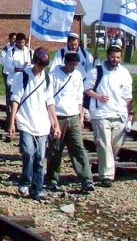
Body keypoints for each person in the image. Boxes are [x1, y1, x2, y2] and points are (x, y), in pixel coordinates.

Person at [8, 47, 59, 201]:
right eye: (39, 64)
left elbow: (50, 102)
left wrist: (55, 123)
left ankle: (37, 189)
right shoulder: (22, 77)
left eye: (44, 65)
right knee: (28, 152)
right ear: (34, 62)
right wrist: (12, 122)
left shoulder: (47, 78)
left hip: (42, 123)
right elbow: (15, 100)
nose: (41, 68)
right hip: (25, 121)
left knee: (40, 158)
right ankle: (25, 181)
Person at [84, 42, 133, 187]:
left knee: (115, 145)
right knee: (104, 145)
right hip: (101, 113)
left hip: (119, 113)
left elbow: (128, 96)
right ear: (108, 56)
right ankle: (106, 176)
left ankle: (105, 166)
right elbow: (87, 89)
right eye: (113, 57)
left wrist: (130, 113)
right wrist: (98, 96)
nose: (115, 60)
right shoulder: (96, 71)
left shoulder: (124, 73)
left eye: (118, 57)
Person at [45, 51, 94, 193]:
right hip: (58, 116)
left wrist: (80, 116)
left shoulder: (77, 75)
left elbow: (79, 97)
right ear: (65, 62)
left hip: (73, 116)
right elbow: (49, 99)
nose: (73, 67)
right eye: (71, 64)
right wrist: (53, 121)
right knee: (55, 150)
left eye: (75, 65)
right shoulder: (54, 75)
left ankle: (86, 180)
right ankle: (53, 179)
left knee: (78, 149)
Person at [4, 33, 33, 121]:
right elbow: (7, 66)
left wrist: (28, 67)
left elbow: (33, 65)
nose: (21, 44)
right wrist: (19, 69)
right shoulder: (11, 52)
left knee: (23, 103)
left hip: (25, 82)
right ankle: (11, 121)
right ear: (16, 42)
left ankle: (20, 121)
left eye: (23, 42)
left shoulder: (29, 52)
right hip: (13, 81)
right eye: (19, 42)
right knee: (12, 102)